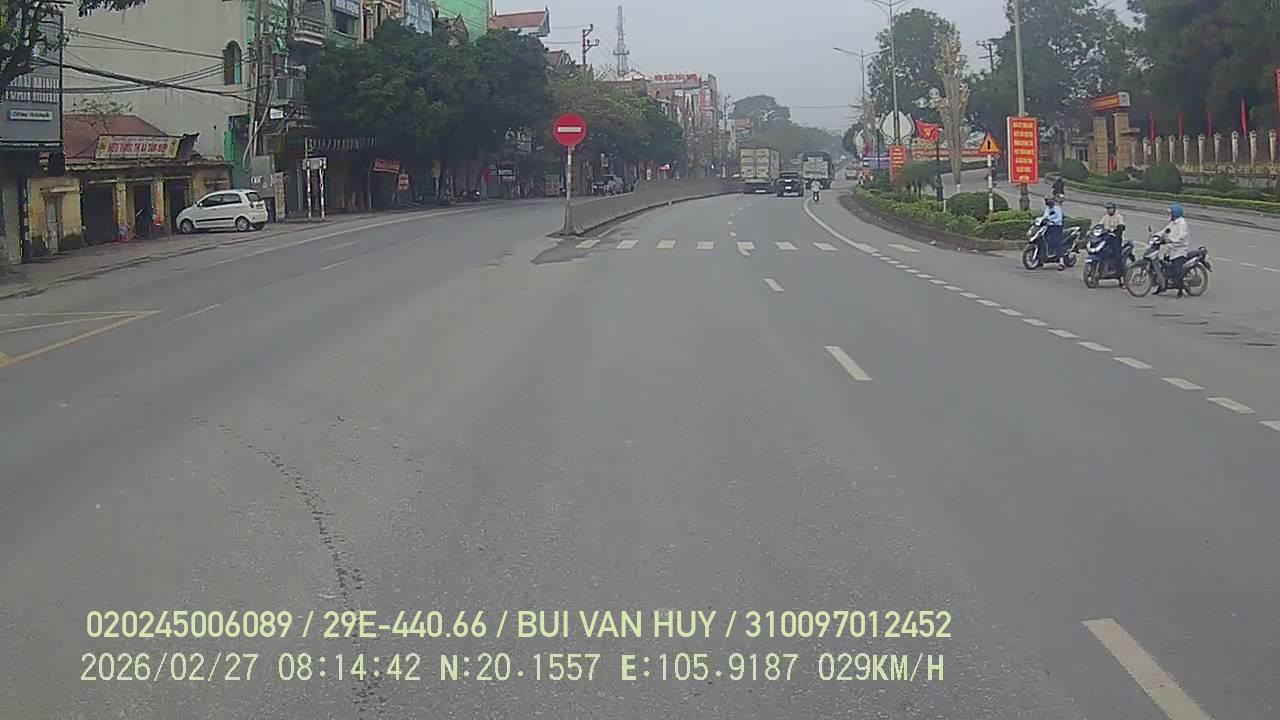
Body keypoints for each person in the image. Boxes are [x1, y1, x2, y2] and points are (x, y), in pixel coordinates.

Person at [1156, 204, 1191, 297]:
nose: (1170, 215)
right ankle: (1162, 287)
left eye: (1171, 213)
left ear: (1175, 213)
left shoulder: (1182, 224)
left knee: (1176, 271)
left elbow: (1182, 237)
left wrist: (1171, 240)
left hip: (1180, 250)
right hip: (1170, 249)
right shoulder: (1173, 222)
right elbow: (1165, 231)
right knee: (1163, 267)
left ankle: (1180, 289)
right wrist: (1157, 235)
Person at [1039, 197, 1066, 269]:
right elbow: (1045, 217)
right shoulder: (1047, 209)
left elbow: (1059, 218)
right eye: (1047, 200)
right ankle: (1040, 259)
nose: (1049, 202)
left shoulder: (1057, 209)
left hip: (1056, 227)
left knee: (1056, 241)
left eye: (1050, 200)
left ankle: (1061, 261)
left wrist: (1052, 221)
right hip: (1048, 227)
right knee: (1041, 239)